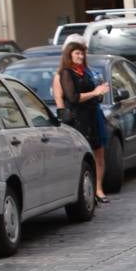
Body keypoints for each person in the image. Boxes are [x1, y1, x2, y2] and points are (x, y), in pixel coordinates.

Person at [56, 39, 110, 203]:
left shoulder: (86, 72)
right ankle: (85, 191)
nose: (80, 56)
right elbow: (72, 98)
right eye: (77, 53)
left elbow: (94, 93)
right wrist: (95, 93)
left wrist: (99, 93)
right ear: (69, 55)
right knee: (82, 156)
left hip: (93, 115)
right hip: (79, 120)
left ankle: (98, 189)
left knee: (99, 153)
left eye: (82, 53)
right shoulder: (66, 73)